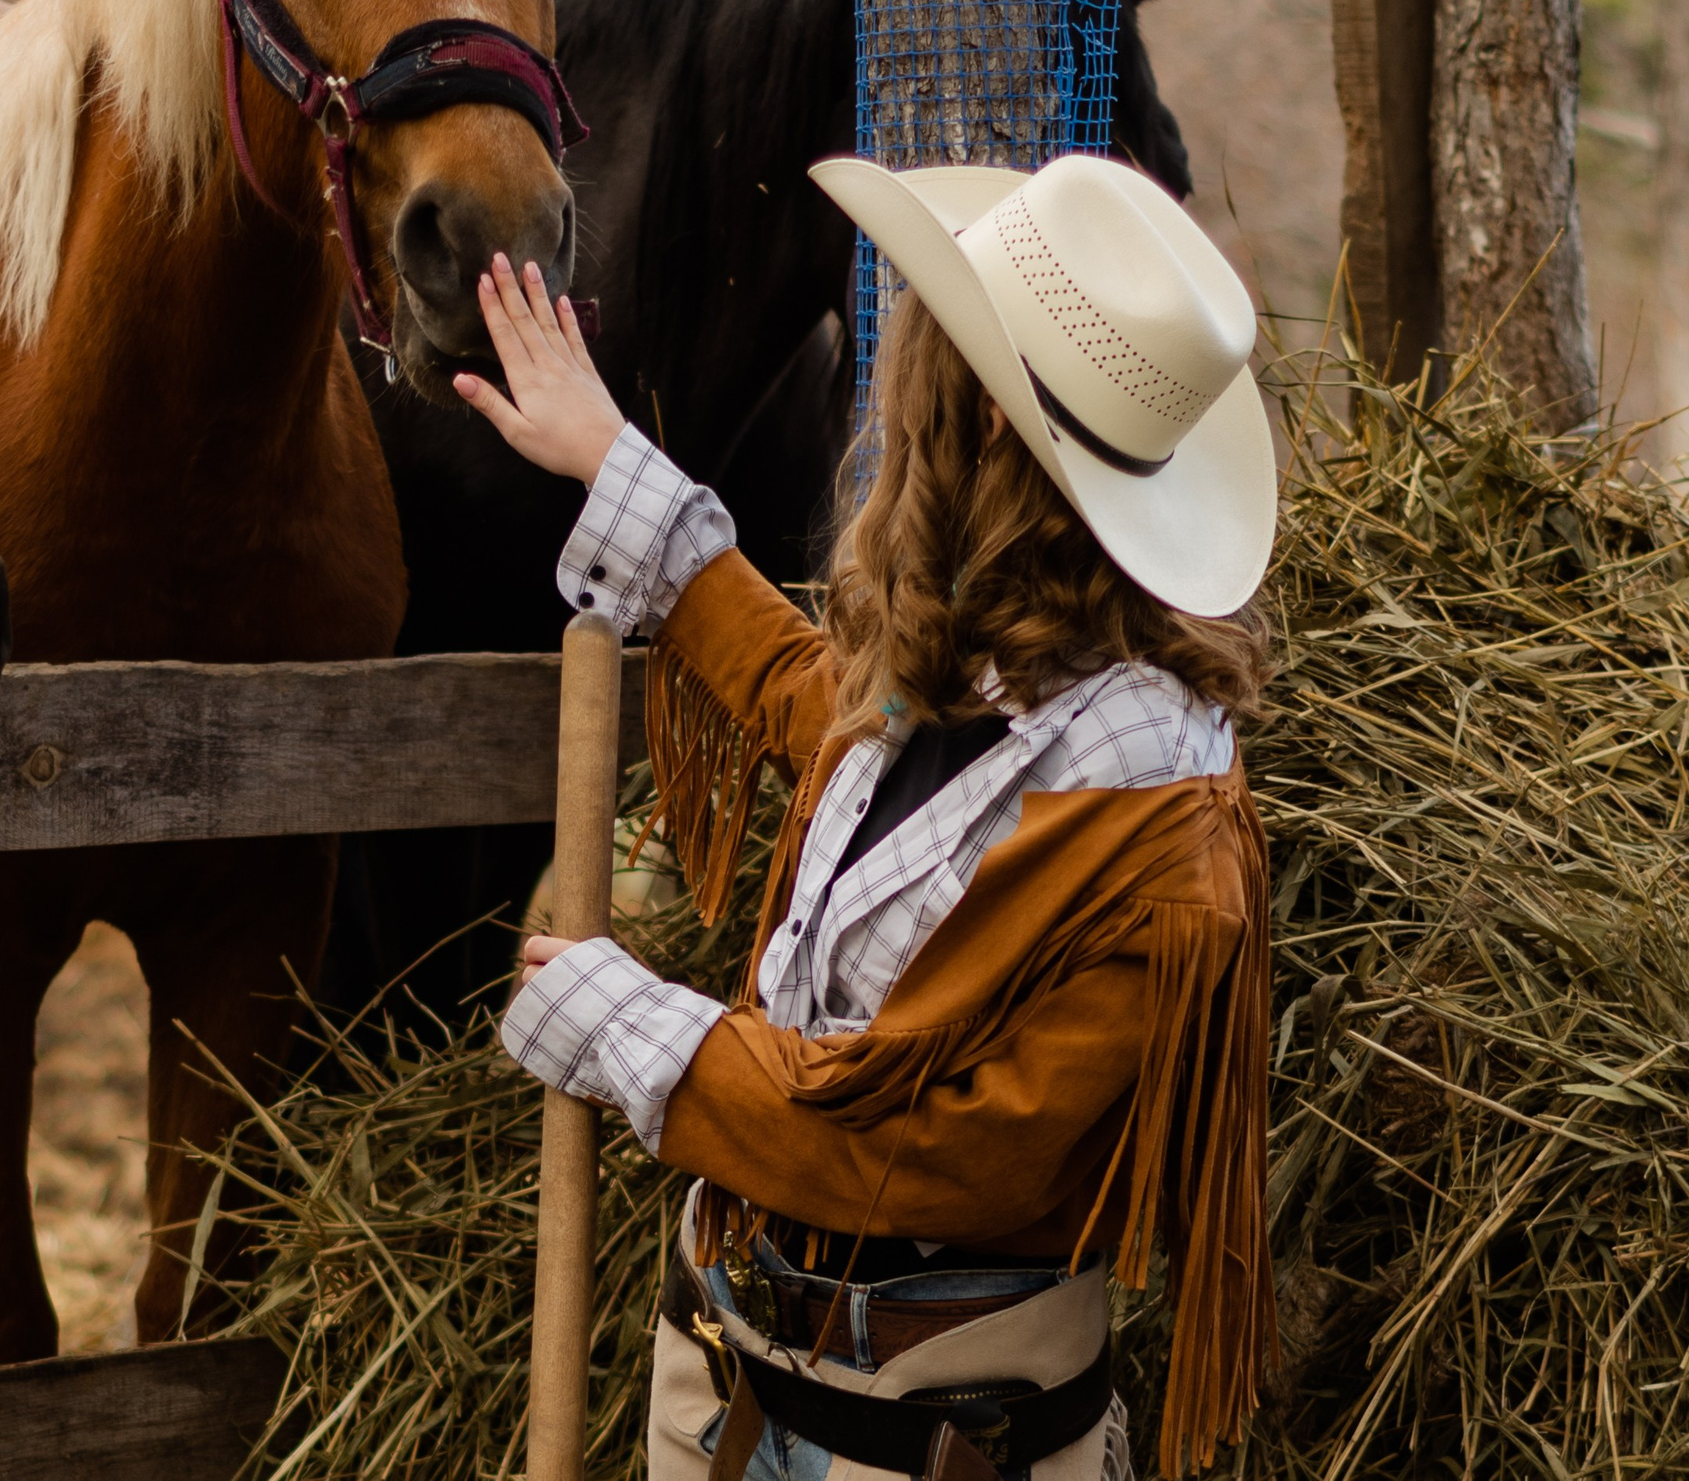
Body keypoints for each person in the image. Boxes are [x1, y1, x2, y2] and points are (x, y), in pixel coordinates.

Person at [455, 152, 1278, 1481]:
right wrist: (614, 464)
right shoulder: (993, 661)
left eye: (927, 362)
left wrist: (642, 1032)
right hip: (730, 1381)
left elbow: (953, 1154)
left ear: (982, 422)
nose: (896, 394)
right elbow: (821, 714)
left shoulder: (1158, 834)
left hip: (936, 1442)